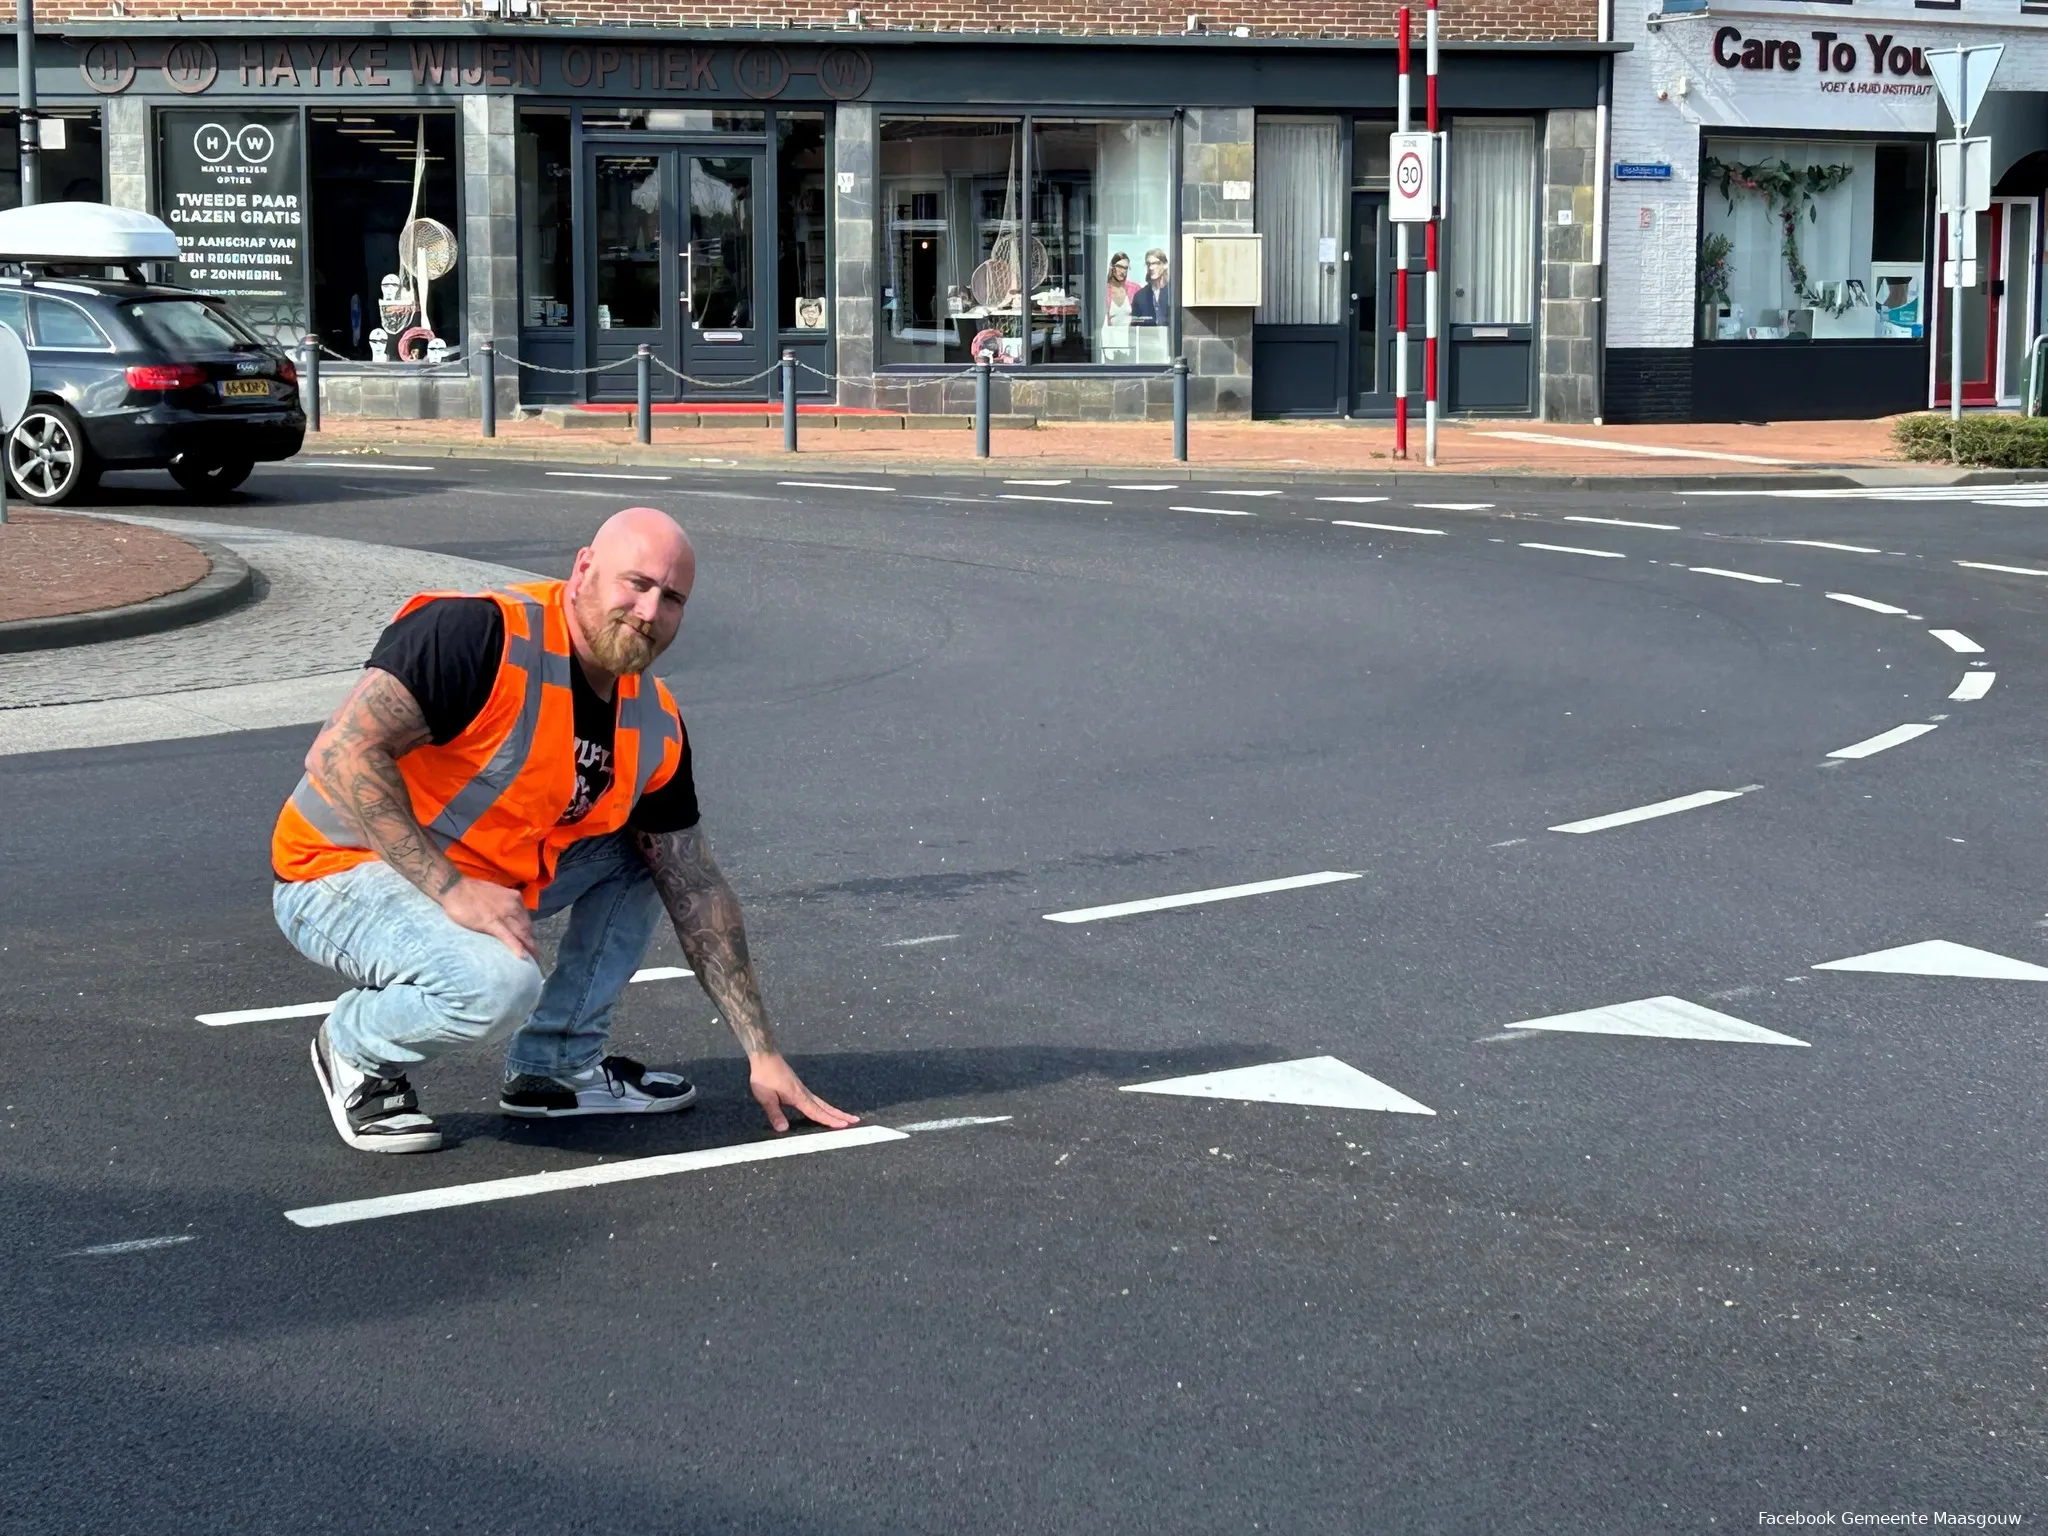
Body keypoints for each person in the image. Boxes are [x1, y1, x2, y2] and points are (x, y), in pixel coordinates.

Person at [270, 507, 858, 1154]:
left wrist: (763, 1053)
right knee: (497, 984)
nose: (648, 610)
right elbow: (341, 753)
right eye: (634, 583)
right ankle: (354, 1046)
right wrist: (453, 889)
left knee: (655, 858)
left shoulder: (655, 722)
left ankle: (555, 1069)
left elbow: (697, 887)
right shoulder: (480, 635)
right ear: (583, 570)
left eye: (672, 599)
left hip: (487, 877)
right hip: (337, 870)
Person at [1131, 248, 1173, 327]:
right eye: (1148, 264)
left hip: (1170, 338)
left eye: (1155, 263)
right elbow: (1134, 327)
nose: (1151, 267)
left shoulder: (1173, 292)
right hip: (1148, 337)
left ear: (1165, 265)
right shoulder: (1140, 296)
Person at [1104, 251, 1136, 326]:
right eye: (1119, 266)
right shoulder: (1104, 290)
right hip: (1110, 335)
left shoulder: (1134, 289)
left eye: (1125, 268)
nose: (1122, 271)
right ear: (1112, 267)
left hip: (1130, 335)